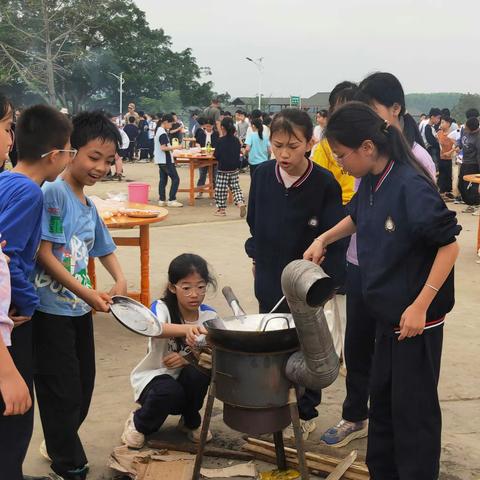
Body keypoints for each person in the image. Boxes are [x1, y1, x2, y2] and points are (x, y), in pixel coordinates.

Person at [304, 102, 461, 480]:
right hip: (385, 315)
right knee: (386, 403)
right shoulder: (373, 179)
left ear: (368, 147)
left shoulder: (409, 183)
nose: (339, 163)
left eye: (342, 155)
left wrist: (421, 305)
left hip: (415, 320)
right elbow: (358, 216)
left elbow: (449, 245)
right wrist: (324, 238)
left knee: (414, 411)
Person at [31, 111, 127, 480]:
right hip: (49, 310)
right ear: (71, 151)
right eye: (93, 157)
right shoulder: (54, 192)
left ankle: (57, 440)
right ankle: (68, 463)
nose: (100, 167)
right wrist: (88, 292)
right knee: (62, 392)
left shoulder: (87, 203)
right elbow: (44, 254)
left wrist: (119, 281)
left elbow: (104, 247)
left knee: (83, 387)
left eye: (107, 160)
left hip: (77, 313)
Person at [245, 108, 347, 441]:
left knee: (308, 344)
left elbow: (336, 233)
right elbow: (254, 222)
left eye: (293, 145)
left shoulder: (323, 183)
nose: (285, 154)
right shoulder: (261, 176)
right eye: (278, 146)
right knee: (273, 341)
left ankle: (305, 412)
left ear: (309, 142)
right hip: (268, 273)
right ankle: (275, 406)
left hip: (306, 281)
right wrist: (257, 254)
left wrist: (326, 279)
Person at [0, 103, 72, 480]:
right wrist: (25, 302)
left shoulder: (6, 180)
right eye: (71, 151)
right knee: (16, 412)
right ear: (55, 155)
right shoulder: (30, 194)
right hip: (11, 318)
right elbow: (8, 254)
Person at [121, 253, 216, 448]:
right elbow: (154, 329)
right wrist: (187, 329)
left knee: (200, 373)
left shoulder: (209, 315)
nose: (194, 294)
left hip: (186, 380)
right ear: (173, 287)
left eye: (200, 287)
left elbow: (213, 347)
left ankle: (189, 421)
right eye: (186, 287)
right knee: (167, 390)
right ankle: (139, 423)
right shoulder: (161, 308)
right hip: (154, 378)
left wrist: (187, 357)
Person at [311, 82, 356, 206]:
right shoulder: (324, 147)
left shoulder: (371, 145)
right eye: (340, 110)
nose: (346, 116)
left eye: (352, 110)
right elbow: (317, 184)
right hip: (337, 206)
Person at [213, 117, 247, 217]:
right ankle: (240, 203)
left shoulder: (221, 141)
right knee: (235, 188)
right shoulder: (236, 140)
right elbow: (239, 153)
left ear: (222, 127)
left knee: (220, 189)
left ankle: (221, 210)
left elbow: (216, 155)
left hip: (223, 169)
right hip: (234, 169)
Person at [154, 113, 184, 207]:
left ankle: (162, 199)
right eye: (171, 124)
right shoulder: (162, 132)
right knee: (175, 179)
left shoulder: (159, 130)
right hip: (165, 159)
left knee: (163, 180)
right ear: (166, 122)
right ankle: (172, 199)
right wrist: (176, 147)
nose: (171, 126)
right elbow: (163, 148)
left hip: (160, 160)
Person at [457, 116, 480, 213]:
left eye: (467, 127)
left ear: (473, 129)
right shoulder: (465, 131)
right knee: (461, 185)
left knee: (470, 187)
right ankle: (470, 203)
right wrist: (458, 146)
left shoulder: (478, 137)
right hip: (464, 162)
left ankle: (474, 205)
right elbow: (461, 141)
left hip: (473, 164)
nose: (465, 128)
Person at [195, 117, 219, 198]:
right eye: (207, 126)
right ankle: (200, 191)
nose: (208, 128)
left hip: (214, 156)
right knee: (202, 174)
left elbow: (218, 144)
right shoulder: (201, 133)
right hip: (203, 156)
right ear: (204, 125)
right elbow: (197, 143)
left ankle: (214, 191)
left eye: (210, 126)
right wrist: (199, 148)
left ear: (213, 126)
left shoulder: (216, 134)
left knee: (214, 175)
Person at [437, 116, 456, 199]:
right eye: (441, 122)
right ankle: (441, 191)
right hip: (441, 158)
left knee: (448, 175)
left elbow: (456, 146)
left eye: (443, 122)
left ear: (448, 124)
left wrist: (449, 152)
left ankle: (448, 192)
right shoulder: (439, 133)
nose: (441, 124)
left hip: (449, 158)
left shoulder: (452, 134)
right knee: (441, 174)